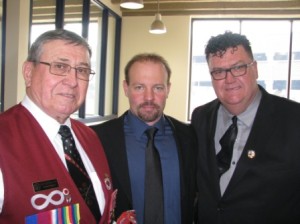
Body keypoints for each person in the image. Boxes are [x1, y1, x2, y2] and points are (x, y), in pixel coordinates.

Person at [0, 29, 115, 223]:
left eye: (82, 70)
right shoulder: (4, 139)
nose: (72, 81)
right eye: (60, 66)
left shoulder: (90, 137)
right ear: (28, 73)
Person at [191, 31, 300, 224]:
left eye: (238, 67)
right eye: (218, 72)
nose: (229, 79)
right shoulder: (201, 117)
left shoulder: (293, 119)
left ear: (255, 69)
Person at [91, 53, 197, 224]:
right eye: (139, 87)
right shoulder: (97, 139)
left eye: (158, 88)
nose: (149, 97)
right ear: (126, 88)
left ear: (168, 89)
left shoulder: (189, 137)